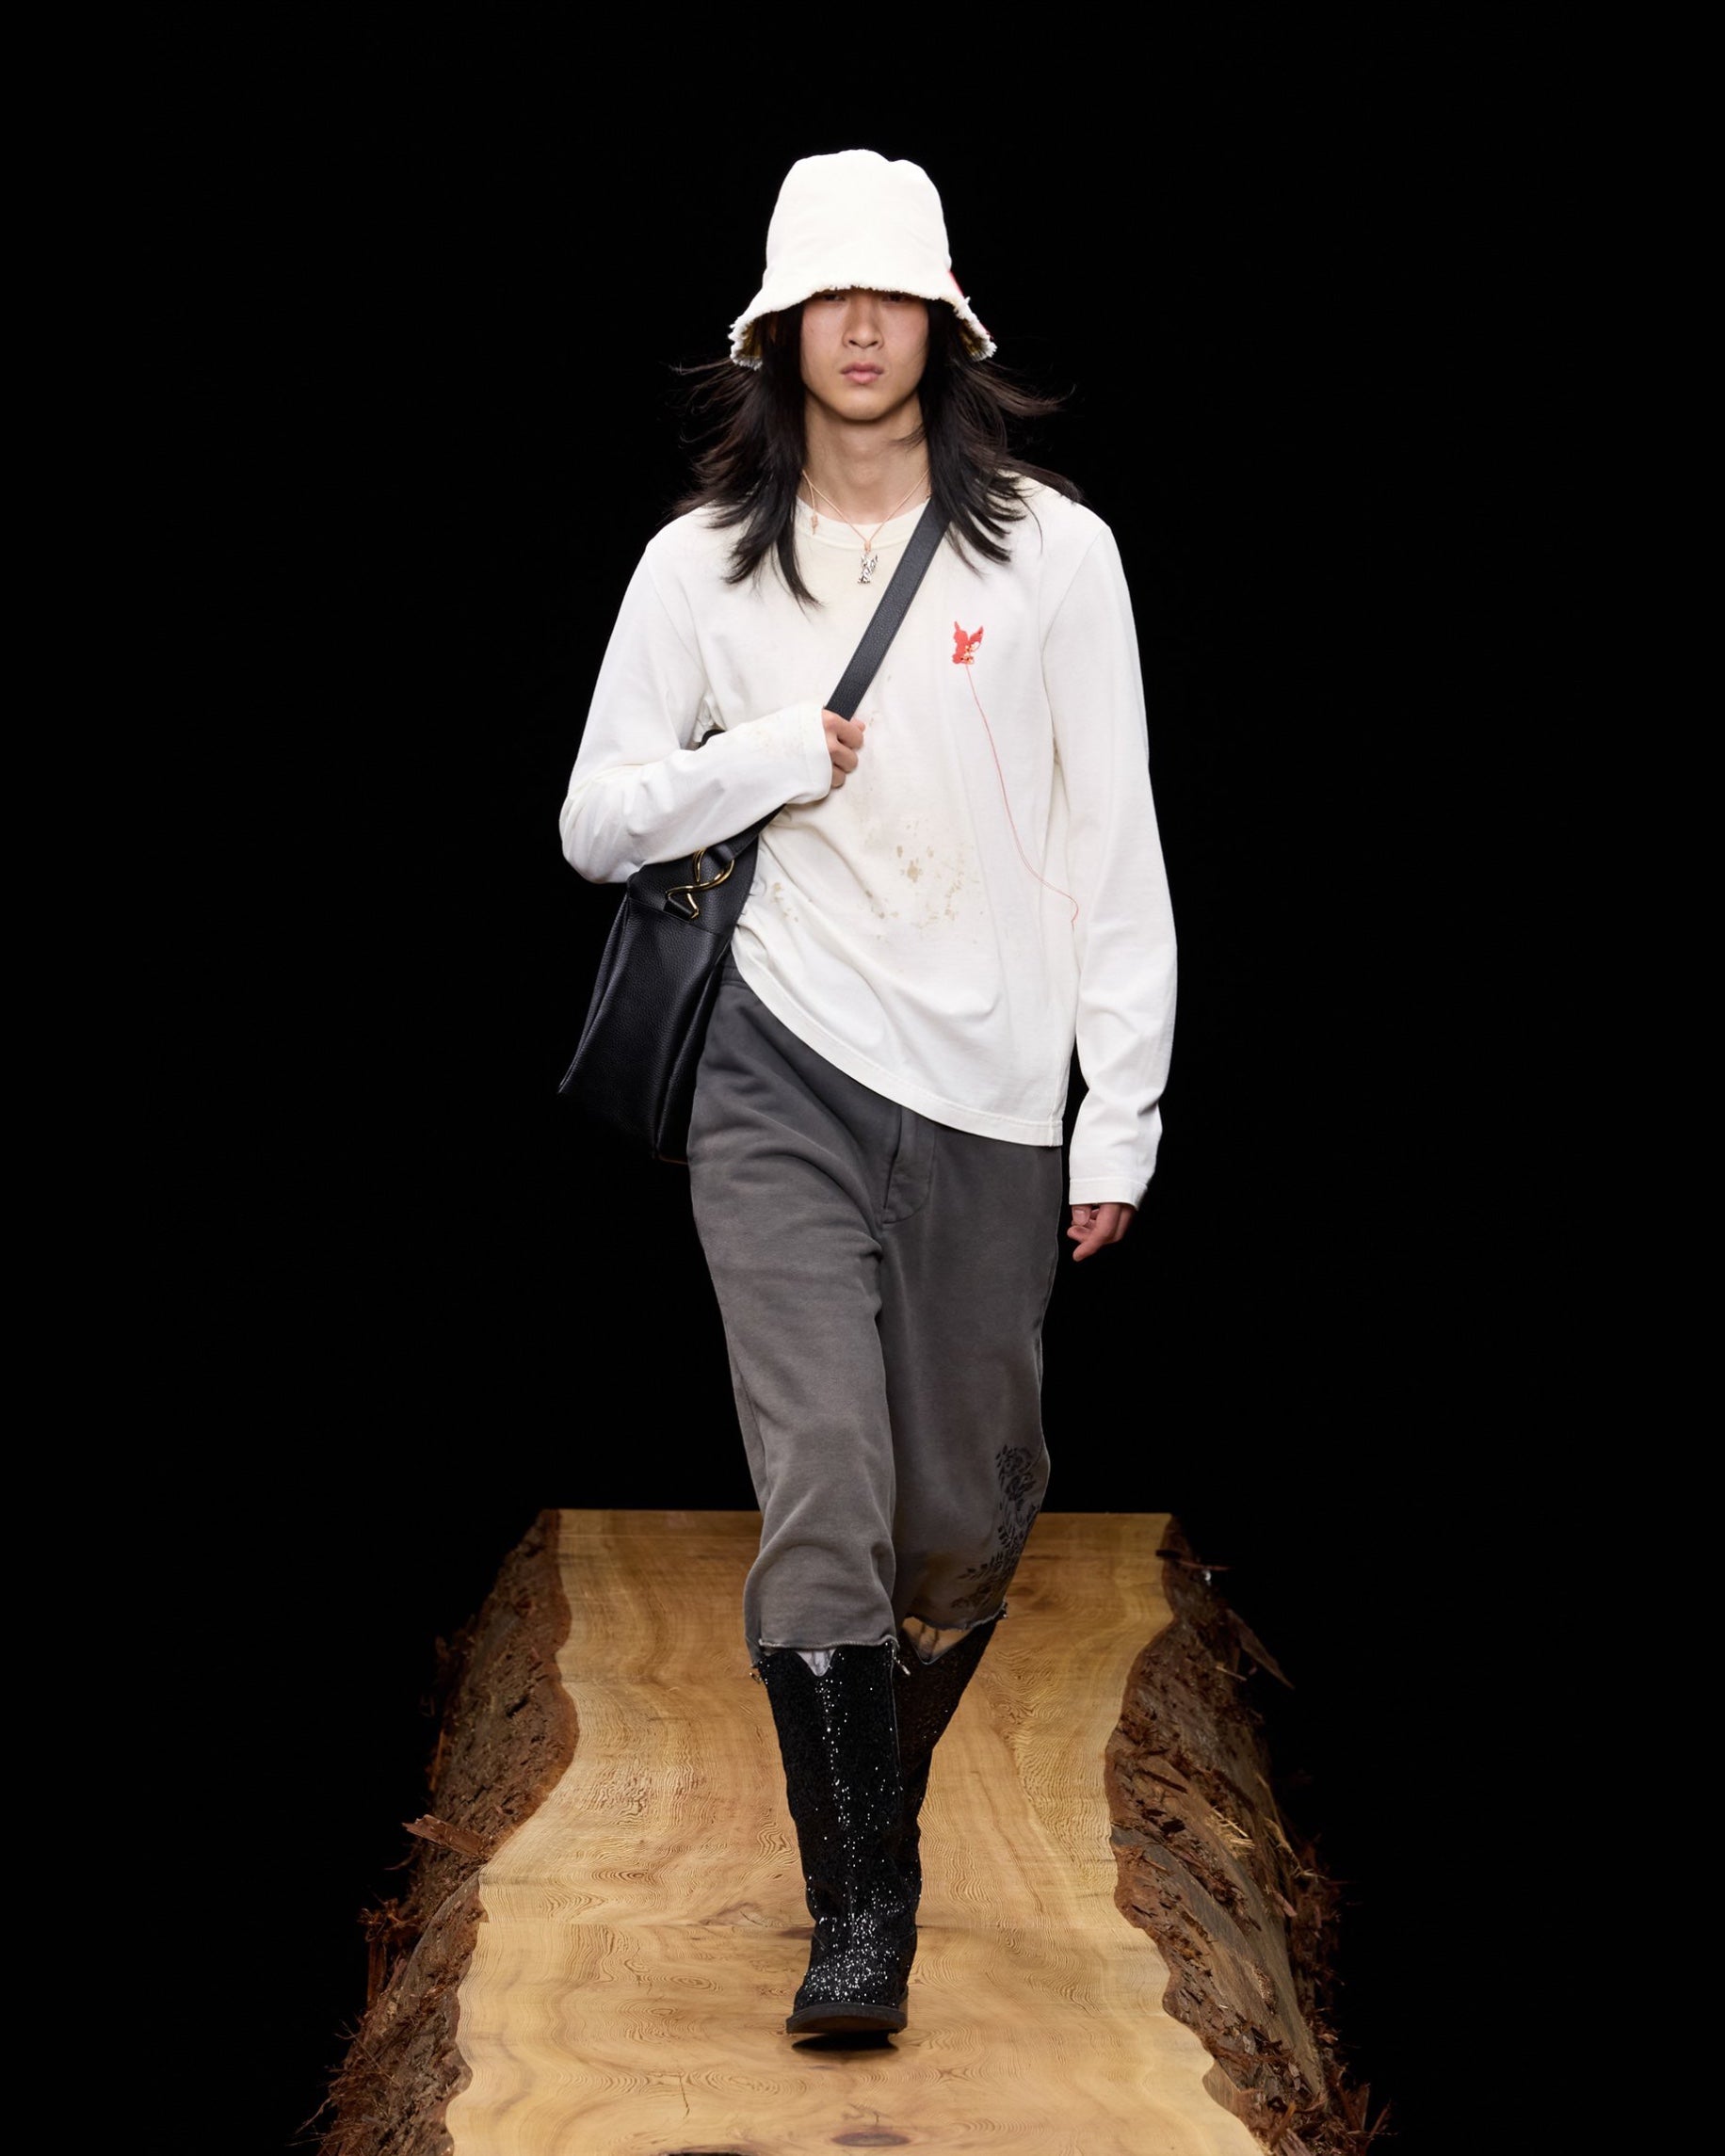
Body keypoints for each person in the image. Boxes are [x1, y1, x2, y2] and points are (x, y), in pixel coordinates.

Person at [558, 149, 1176, 2037]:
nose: (857, 326)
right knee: (820, 1471)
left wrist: (1121, 1108)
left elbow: (1114, 844)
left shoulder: (1056, 555)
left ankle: (862, 1810)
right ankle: (860, 1916)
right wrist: (758, 756)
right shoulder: (699, 566)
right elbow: (596, 820)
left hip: (992, 1086)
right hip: (780, 1070)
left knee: (965, 1509)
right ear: (775, 331)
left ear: (939, 325)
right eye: (825, 296)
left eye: (889, 295)